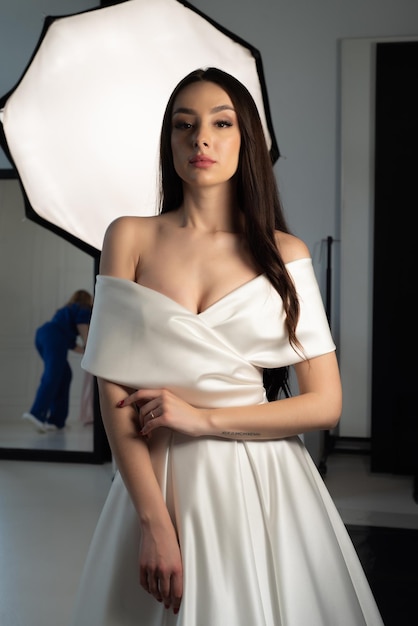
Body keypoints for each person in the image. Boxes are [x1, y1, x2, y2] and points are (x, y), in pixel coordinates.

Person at [71, 68, 383, 625]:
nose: (201, 139)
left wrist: (200, 418)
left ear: (249, 141)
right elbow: (110, 384)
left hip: (260, 481)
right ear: (169, 142)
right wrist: (153, 523)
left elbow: (325, 404)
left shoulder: (284, 252)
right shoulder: (129, 236)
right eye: (183, 125)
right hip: (155, 480)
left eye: (221, 123)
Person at [22, 289, 93, 432]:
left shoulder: (67, 310)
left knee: (65, 375)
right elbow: (82, 326)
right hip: (54, 337)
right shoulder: (84, 308)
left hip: (43, 336)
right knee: (53, 374)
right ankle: (36, 413)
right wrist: (89, 345)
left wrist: (86, 352)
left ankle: (56, 421)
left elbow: (71, 345)